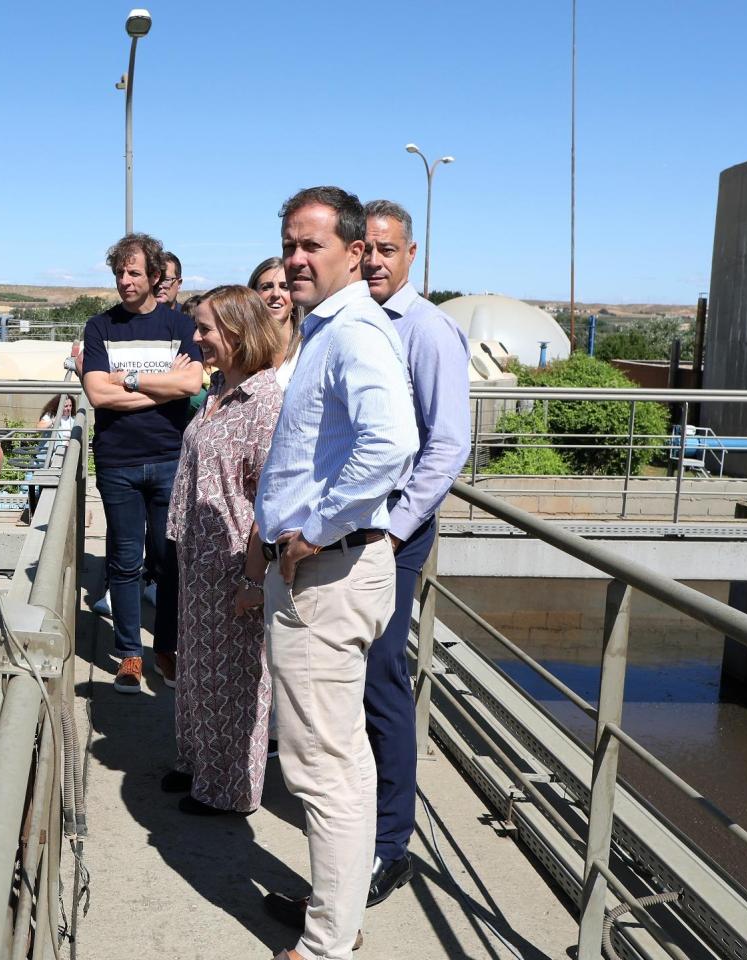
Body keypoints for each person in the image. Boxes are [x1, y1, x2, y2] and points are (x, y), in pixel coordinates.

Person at [254, 187, 417, 960]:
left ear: (354, 254)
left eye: (310, 245)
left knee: (323, 769)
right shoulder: (329, 329)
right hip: (330, 569)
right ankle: (335, 914)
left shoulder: (354, 334)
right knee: (338, 762)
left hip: (327, 574)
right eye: (289, 244)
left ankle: (326, 945)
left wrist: (314, 530)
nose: (294, 259)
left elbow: (392, 445)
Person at [357, 198, 472, 905]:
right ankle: (357, 820)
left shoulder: (426, 330)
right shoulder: (352, 320)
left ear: (411, 254)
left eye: (386, 249)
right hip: (351, 527)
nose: (374, 260)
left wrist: (395, 530)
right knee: (349, 676)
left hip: (391, 534)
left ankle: (390, 844)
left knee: (380, 675)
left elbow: (448, 444)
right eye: (365, 249)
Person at [162, 285, 284, 815]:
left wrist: (254, 580)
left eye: (206, 328)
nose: (196, 337)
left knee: (233, 681)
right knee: (197, 671)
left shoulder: (265, 403)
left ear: (237, 332)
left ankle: (229, 789)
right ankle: (198, 763)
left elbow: (271, 500)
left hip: (234, 562)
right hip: (197, 557)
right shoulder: (218, 390)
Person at [81, 233, 202, 694]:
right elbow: (97, 394)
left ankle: (166, 649)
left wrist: (128, 381)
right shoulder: (100, 327)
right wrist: (160, 389)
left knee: (169, 561)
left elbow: (190, 384)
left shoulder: (179, 325)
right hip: (118, 463)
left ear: (155, 276)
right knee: (126, 561)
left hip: (170, 459)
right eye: (119, 273)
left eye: (134, 273)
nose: (125, 281)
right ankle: (130, 653)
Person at [247, 256, 298, 385]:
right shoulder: (242, 350)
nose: (275, 294)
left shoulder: (310, 346)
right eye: (266, 287)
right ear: (253, 296)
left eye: (285, 287)